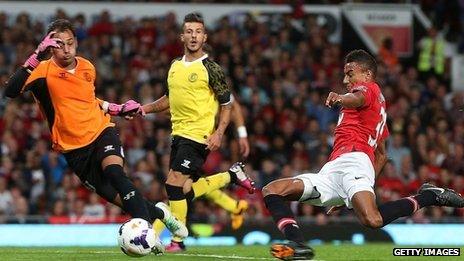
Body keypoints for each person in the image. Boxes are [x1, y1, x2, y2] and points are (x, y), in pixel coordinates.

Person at [262, 49, 464, 260]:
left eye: (350, 74)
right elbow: (383, 155)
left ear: (367, 75)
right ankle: (298, 244)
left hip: (355, 162)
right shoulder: (377, 112)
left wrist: (340, 98)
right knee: (272, 189)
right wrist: (355, 190)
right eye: (345, 75)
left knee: (372, 220)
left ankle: (429, 196)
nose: (345, 79)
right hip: (331, 171)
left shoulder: (369, 89)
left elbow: (357, 97)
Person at [3, 19, 188, 249]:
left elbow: (90, 102)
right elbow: (10, 91)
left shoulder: (87, 67)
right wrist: (36, 56)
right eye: (60, 44)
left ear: (76, 43)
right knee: (120, 198)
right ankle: (161, 213)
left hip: (101, 132)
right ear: (50, 45)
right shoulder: (41, 71)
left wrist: (117, 109)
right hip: (73, 150)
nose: (67, 49)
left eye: (70, 43)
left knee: (115, 173)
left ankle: (149, 238)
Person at [137, 13, 255, 252]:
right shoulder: (174, 66)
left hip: (198, 135)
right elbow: (169, 100)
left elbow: (228, 104)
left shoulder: (211, 68)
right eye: (189, 31)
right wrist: (144, 109)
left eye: (198, 31)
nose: (193, 36)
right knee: (185, 191)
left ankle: (178, 241)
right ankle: (231, 176)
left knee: (172, 187)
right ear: (182, 36)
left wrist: (221, 132)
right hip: (178, 134)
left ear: (204, 36)